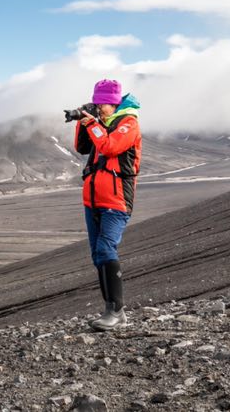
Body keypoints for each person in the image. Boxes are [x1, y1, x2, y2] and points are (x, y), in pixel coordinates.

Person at [73, 79, 142, 331]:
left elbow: (110, 147)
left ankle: (116, 311)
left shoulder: (128, 124)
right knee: (97, 255)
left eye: (102, 103)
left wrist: (92, 122)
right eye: (97, 102)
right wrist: (84, 122)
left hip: (116, 200)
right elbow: (82, 148)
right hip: (92, 201)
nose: (99, 107)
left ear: (114, 103)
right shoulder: (101, 124)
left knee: (105, 249)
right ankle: (112, 311)